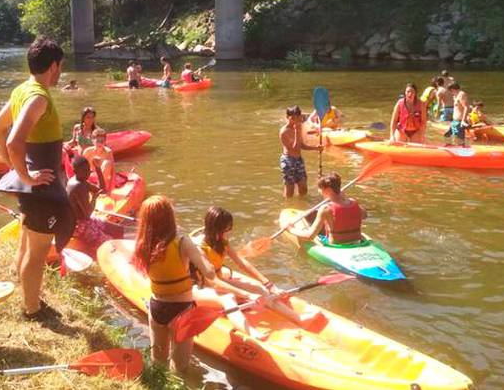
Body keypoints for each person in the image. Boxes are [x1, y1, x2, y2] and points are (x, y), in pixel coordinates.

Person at [0, 36, 76, 321]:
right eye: (60, 66)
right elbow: (14, 140)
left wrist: (17, 171)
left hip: (34, 185)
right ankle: (32, 310)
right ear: (53, 66)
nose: (61, 71)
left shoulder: (21, 90)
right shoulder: (38, 96)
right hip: (41, 187)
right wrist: (26, 176)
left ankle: (29, 298)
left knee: (28, 242)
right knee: (37, 252)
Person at [191, 206, 327, 336]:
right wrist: (246, 295)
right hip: (200, 287)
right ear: (215, 229)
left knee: (260, 290)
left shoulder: (222, 241)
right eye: (225, 230)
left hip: (221, 282)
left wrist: (268, 284)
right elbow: (213, 283)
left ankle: (299, 318)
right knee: (229, 298)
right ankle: (250, 333)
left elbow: (242, 262)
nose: (228, 233)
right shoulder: (198, 248)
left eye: (229, 229)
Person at [132, 195, 215, 372]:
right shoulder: (183, 242)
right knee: (180, 369)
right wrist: (197, 248)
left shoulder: (143, 244)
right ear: (170, 217)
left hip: (156, 308)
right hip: (182, 310)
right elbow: (210, 273)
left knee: (158, 365)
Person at [66, 156, 123, 259]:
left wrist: (98, 169)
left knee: (119, 229)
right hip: (79, 226)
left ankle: (117, 257)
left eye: (88, 169)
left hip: (87, 220)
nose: (88, 173)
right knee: (112, 246)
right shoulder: (77, 185)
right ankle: (106, 258)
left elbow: (102, 190)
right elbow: (87, 213)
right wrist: (94, 198)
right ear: (75, 171)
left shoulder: (82, 180)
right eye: (84, 171)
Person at [293, 172, 367, 245]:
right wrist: (344, 198)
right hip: (357, 242)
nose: (319, 191)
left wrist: (290, 229)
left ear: (328, 190)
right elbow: (364, 215)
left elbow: (310, 236)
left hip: (336, 245)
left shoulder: (326, 209)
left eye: (320, 188)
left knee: (300, 217)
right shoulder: (354, 202)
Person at [280, 105, 321, 198]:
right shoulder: (284, 131)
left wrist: (316, 148)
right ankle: (288, 206)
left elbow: (301, 145)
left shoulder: (298, 127)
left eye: (297, 117)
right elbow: (293, 148)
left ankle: (302, 205)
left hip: (298, 159)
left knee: (303, 188)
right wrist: (297, 131)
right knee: (290, 190)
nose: (295, 120)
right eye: (293, 118)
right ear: (287, 118)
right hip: (288, 161)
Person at [82, 127, 115, 192]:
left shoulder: (108, 152)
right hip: (89, 176)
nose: (100, 143)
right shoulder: (87, 151)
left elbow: (112, 170)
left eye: (102, 141)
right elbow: (81, 167)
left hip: (103, 178)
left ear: (105, 141)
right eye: (97, 141)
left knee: (107, 163)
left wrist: (111, 189)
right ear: (93, 141)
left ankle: (101, 188)